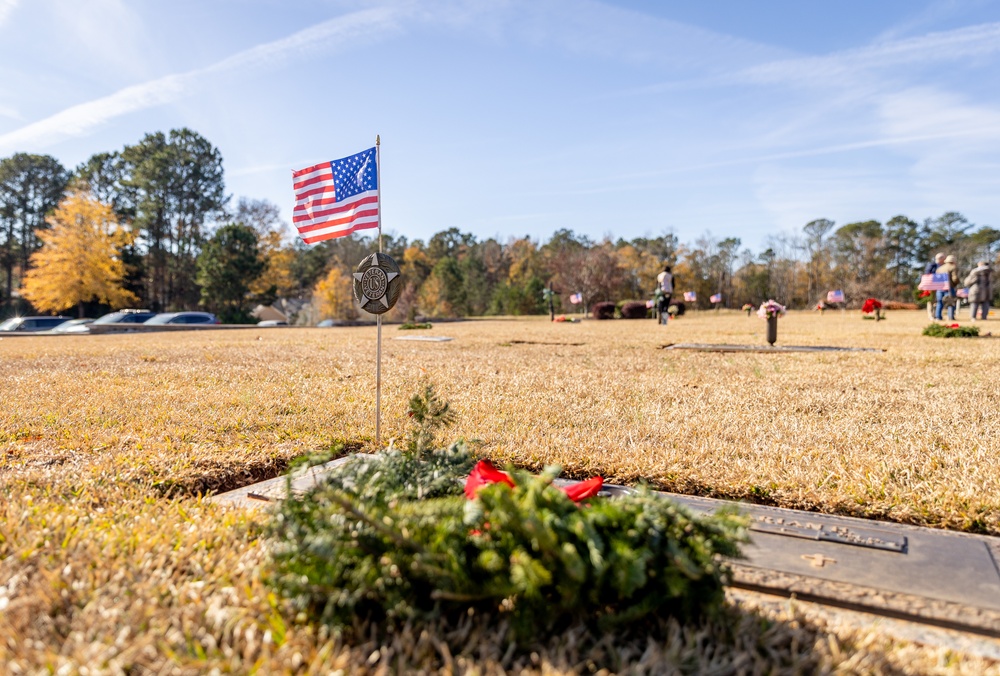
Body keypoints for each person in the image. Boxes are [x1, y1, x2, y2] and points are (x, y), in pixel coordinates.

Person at [935, 254, 959, 321]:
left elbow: (936, 279)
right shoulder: (953, 267)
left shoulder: (939, 268)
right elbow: (955, 278)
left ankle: (938, 317)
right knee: (950, 302)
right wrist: (955, 284)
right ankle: (950, 316)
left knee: (939, 302)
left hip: (940, 287)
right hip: (949, 288)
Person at [924, 253, 945, 319]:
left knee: (938, 301)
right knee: (931, 301)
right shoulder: (932, 265)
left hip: (940, 286)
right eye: (943, 258)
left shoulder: (943, 266)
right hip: (932, 286)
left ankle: (936, 314)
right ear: (940, 259)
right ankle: (931, 315)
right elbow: (927, 274)